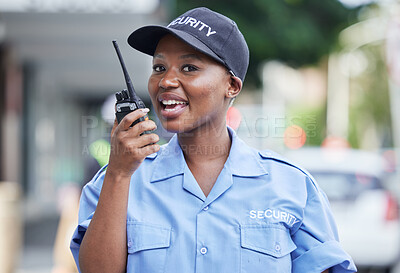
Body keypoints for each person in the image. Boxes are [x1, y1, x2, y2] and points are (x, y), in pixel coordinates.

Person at [70, 7, 357, 273]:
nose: (166, 81)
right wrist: (119, 174)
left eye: (189, 68)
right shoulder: (116, 181)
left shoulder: (293, 186)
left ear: (231, 85)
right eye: (159, 68)